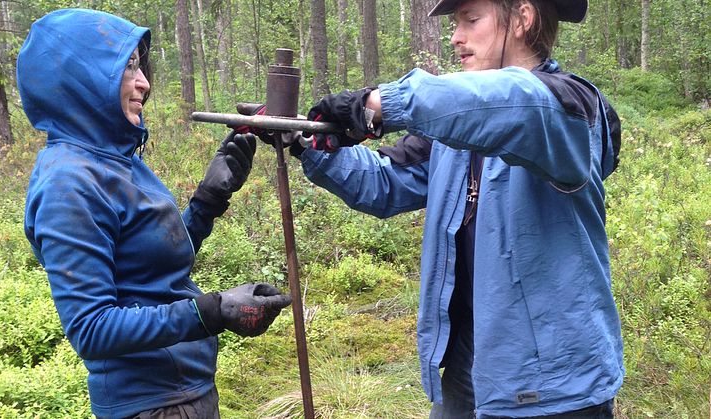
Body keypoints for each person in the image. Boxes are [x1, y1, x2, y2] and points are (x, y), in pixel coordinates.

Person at [265, 0, 624, 417]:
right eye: (455, 24)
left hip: (552, 384)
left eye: (471, 20)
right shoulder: (451, 134)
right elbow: (384, 182)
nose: (456, 37)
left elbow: (515, 103)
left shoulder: (569, 108)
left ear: (523, 18)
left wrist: (379, 103)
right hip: (467, 363)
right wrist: (305, 143)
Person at [16, 8, 291, 419]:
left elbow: (151, 266)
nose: (143, 82)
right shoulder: (68, 183)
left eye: (139, 67)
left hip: (185, 391)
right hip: (150, 406)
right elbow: (91, 329)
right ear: (80, 79)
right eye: (126, 69)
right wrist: (213, 311)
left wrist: (208, 201)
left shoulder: (115, 160)